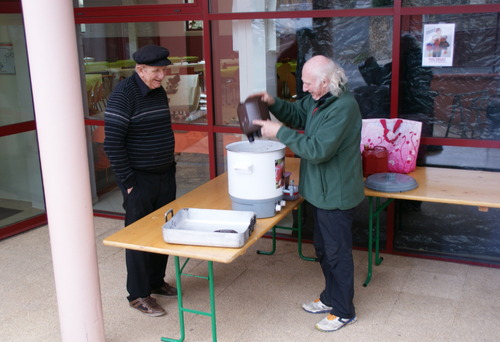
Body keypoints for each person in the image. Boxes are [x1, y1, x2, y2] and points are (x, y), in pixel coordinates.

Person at [252, 55, 364, 332]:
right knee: (324, 250)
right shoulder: (319, 99)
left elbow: (317, 150)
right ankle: (330, 297)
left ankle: (344, 311)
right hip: (317, 192)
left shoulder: (343, 107)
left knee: (338, 253)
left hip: (335, 194)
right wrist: (272, 102)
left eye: (307, 82)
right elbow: (297, 114)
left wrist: (279, 133)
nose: (303, 88)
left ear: (325, 82)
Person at [104, 45, 177, 317]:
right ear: (140, 70)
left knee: (163, 230)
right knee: (137, 237)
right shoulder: (124, 95)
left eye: (163, 69)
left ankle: (156, 282)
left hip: (164, 173)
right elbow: (111, 143)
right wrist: (130, 182)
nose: (161, 75)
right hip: (139, 179)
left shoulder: (158, 92)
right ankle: (137, 294)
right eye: (156, 70)